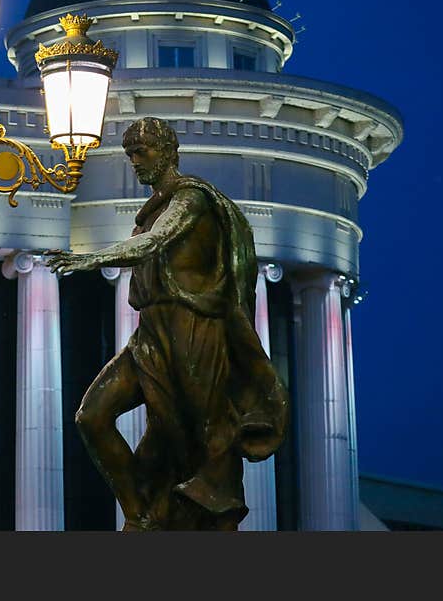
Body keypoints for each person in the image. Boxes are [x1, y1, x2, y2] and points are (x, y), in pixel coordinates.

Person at [48, 117, 289, 530]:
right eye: (130, 155)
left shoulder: (190, 198)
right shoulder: (156, 206)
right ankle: (139, 511)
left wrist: (92, 258)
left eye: (142, 152)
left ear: (168, 151)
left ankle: (208, 513)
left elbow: (156, 241)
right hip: (151, 333)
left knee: (201, 434)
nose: (135, 162)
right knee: (92, 416)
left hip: (193, 328)